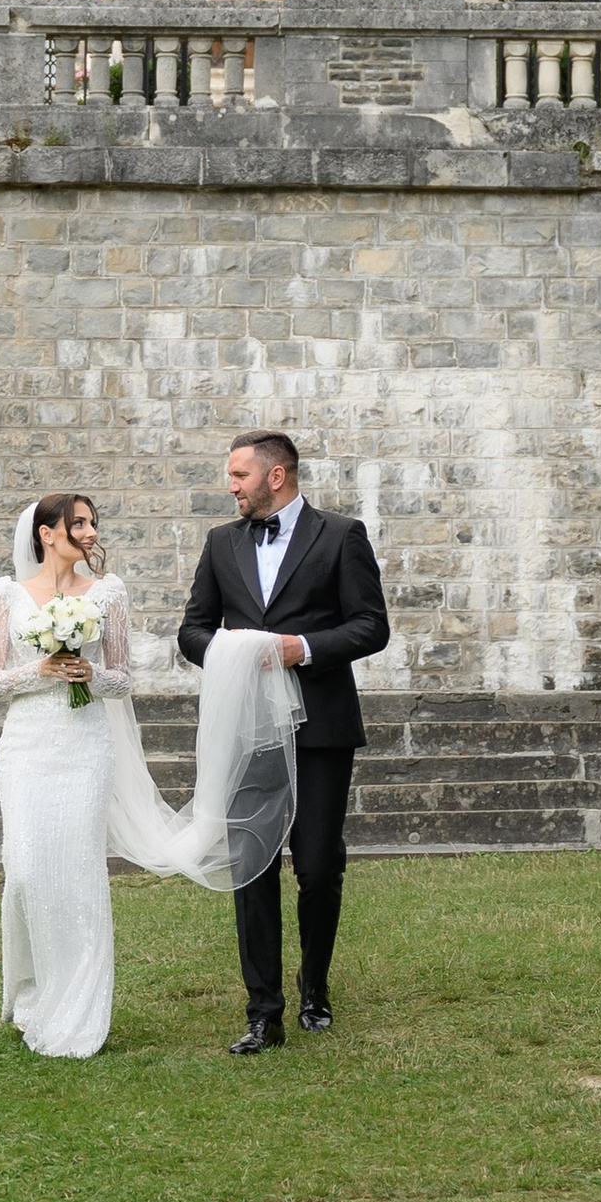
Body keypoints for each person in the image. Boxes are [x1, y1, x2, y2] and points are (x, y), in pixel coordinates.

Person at [0, 486, 297, 1060]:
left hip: (85, 745)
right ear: (47, 534)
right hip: (25, 748)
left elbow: (122, 678)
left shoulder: (109, 593)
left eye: (93, 522)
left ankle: (77, 1010)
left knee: (75, 872)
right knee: (25, 872)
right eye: (79, 524)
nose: (92, 532)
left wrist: (87, 674)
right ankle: (33, 992)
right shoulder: (7, 593)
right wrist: (44, 670)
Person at [178, 430, 390, 1054]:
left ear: (277, 476)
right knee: (252, 867)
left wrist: (305, 649)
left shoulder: (341, 535)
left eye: (239, 474)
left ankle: (315, 987)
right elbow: (192, 630)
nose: (231, 486)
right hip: (246, 730)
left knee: (319, 866)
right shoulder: (221, 543)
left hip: (320, 726)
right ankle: (262, 1011)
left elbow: (371, 626)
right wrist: (233, 654)